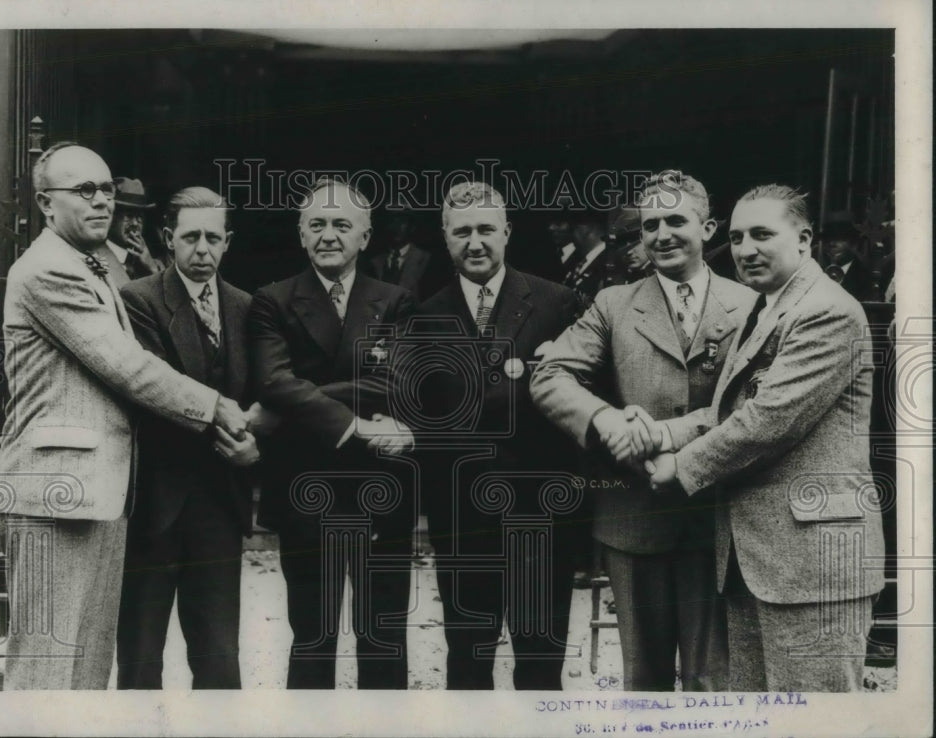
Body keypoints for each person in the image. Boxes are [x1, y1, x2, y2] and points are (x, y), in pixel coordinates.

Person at [0, 143, 249, 690]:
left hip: (93, 491)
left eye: (106, 189)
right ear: (44, 202)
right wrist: (215, 406)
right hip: (55, 492)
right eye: (84, 190)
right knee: (47, 670)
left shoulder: (93, 265)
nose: (102, 200)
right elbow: (127, 365)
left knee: (84, 671)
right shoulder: (48, 271)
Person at [645, 184, 885, 692]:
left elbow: (768, 421)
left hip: (815, 564)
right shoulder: (767, 308)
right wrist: (659, 432)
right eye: (735, 237)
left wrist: (679, 466)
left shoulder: (827, 311)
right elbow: (731, 410)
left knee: (819, 723)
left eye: (761, 234)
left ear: (804, 239)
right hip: (760, 559)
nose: (745, 249)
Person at [530, 170, 754, 691]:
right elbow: (551, 374)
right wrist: (605, 419)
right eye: (649, 224)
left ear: (709, 228)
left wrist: (664, 435)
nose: (662, 234)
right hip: (633, 517)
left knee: (713, 682)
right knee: (642, 683)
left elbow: (754, 407)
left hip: (719, 518)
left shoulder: (749, 305)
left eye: (677, 220)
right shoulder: (614, 303)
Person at [247, 177, 417, 689]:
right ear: (301, 234)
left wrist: (307, 396)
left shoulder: (396, 301)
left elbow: (394, 383)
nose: (328, 235)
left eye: (342, 225)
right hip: (306, 489)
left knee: (383, 635)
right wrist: (356, 420)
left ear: (365, 237)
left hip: (380, 488)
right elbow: (272, 380)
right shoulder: (272, 300)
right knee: (312, 635)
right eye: (317, 224)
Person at [412, 181, 583, 689]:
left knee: (540, 658)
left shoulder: (558, 303)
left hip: (542, 511)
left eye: (487, 229)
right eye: (462, 232)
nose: (475, 242)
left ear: (507, 233)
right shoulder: (424, 317)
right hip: (462, 516)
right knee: (467, 655)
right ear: (446, 239)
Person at [116, 187, 268, 689]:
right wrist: (228, 418)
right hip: (156, 505)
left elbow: (270, 391)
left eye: (213, 238)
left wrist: (255, 440)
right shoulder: (138, 300)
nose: (202, 250)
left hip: (220, 505)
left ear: (228, 242)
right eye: (190, 237)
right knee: (141, 659)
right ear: (168, 239)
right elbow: (151, 388)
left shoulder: (247, 307)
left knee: (220, 660)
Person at [97, 177, 167, 285]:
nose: (135, 223)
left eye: (139, 217)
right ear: (111, 216)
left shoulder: (155, 265)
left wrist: (152, 268)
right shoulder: (96, 260)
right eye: (129, 216)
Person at [364, 209, 439, 301]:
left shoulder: (427, 260)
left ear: (412, 227)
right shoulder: (374, 263)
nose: (396, 226)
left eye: (402, 221)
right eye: (392, 221)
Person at [562, 211, 611, 304]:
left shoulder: (609, 261)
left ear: (585, 228)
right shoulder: (574, 262)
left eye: (573, 229)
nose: (570, 236)